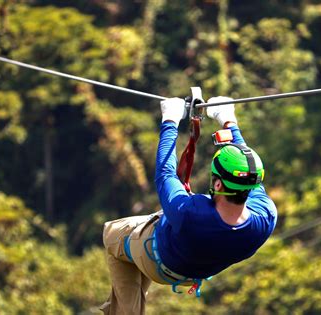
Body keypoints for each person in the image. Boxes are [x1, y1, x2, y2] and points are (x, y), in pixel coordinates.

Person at [100, 96, 278, 315]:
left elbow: (165, 173)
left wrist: (170, 121)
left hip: (157, 260)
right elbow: (248, 170)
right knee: (147, 236)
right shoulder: (265, 217)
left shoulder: (190, 213)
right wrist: (228, 121)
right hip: (194, 272)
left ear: (218, 183)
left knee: (112, 234)